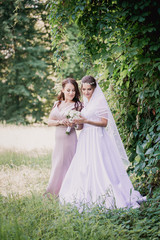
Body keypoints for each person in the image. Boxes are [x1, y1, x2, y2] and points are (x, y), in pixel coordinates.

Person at [59, 75, 146, 209]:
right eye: (84, 89)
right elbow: (82, 126)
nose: (86, 92)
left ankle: (110, 195)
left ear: (94, 88)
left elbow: (104, 123)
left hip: (98, 139)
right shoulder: (85, 104)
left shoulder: (99, 101)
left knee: (101, 166)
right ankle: (88, 194)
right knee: (85, 167)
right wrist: (76, 123)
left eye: (89, 89)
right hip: (86, 139)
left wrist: (86, 120)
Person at [44, 78, 82, 198]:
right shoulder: (57, 104)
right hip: (58, 139)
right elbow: (49, 122)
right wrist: (60, 122)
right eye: (68, 90)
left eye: (73, 91)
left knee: (66, 165)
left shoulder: (78, 105)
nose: (71, 93)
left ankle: (66, 193)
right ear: (63, 90)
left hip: (69, 139)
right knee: (57, 164)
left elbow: (81, 126)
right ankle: (54, 192)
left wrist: (73, 123)